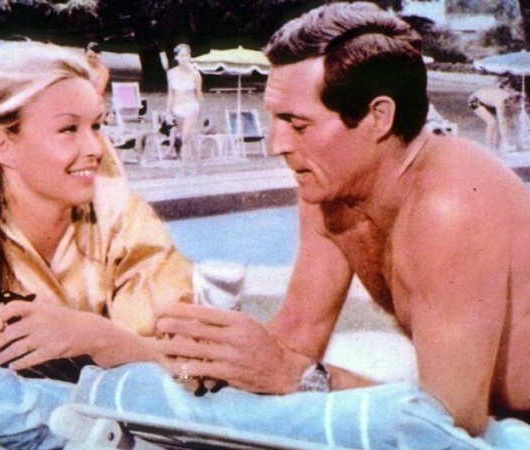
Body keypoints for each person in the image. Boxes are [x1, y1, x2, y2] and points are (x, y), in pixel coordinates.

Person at [156, 1, 530, 440]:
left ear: (378, 117)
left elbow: (447, 422)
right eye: (275, 120)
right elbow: (295, 339)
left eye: (298, 125)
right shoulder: (330, 190)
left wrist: (303, 377)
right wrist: (206, 364)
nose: (276, 145)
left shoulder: (450, 205)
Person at [0, 42, 192, 382]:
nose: (96, 148)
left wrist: (98, 338)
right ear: (3, 146)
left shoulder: (123, 219)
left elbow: (191, 371)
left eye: (97, 126)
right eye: (69, 129)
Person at [166, 43, 203, 173]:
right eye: (182, 55)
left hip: (192, 107)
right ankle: (198, 163)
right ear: (176, 57)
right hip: (177, 108)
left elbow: (199, 94)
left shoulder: (195, 74)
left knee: (185, 137)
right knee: (188, 137)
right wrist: (168, 112)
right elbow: (170, 94)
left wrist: (200, 110)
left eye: (187, 55)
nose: (184, 58)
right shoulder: (171, 73)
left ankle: (184, 169)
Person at [468, 83, 521, 153]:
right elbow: (502, 122)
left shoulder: (511, 99)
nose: (513, 108)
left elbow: (516, 119)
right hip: (475, 100)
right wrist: (506, 142)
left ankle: (496, 147)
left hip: (489, 102)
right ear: (512, 101)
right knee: (492, 122)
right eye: (514, 106)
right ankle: (488, 148)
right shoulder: (501, 101)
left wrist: (518, 140)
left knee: (498, 124)